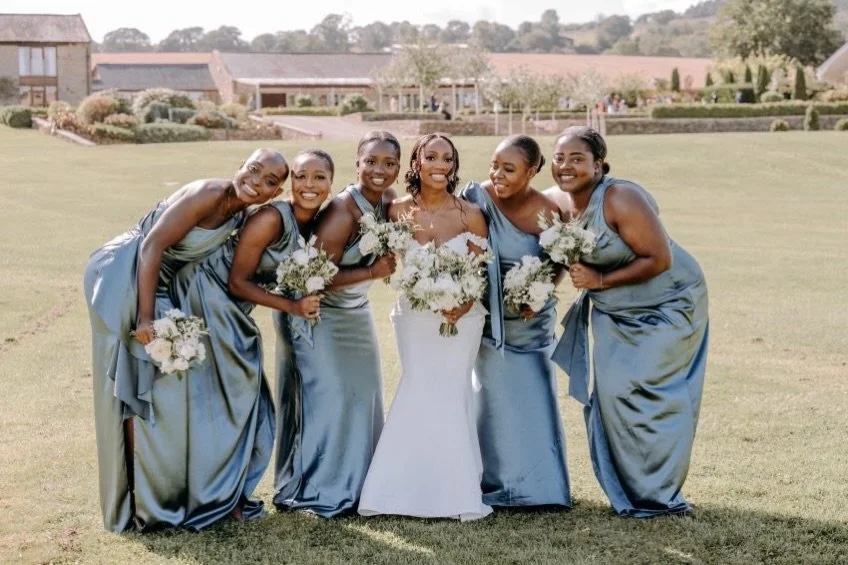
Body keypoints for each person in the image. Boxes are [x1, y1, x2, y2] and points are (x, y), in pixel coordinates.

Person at [83, 148, 288, 532]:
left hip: (159, 288)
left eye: (270, 181)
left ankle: (171, 495)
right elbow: (152, 246)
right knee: (140, 385)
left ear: (274, 193)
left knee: (164, 393)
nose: (257, 181)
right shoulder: (208, 193)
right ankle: (138, 506)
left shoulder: (240, 215)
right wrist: (146, 317)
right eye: (254, 169)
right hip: (125, 274)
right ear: (240, 165)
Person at [146, 149, 328, 530]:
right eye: (301, 177)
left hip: (231, 307)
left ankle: (229, 494)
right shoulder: (269, 217)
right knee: (235, 399)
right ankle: (216, 497)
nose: (309, 185)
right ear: (291, 183)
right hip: (209, 295)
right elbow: (236, 281)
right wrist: (291, 306)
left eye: (320, 178)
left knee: (242, 402)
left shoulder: (312, 222)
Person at [545, 127, 709, 518]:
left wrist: (598, 280)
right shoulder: (558, 204)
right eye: (559, 158)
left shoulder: (621, 198)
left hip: (670, 303)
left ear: (599, 166)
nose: (566, 166)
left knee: (647, 389)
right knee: (612, 395)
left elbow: (658, 259)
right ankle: (633, 490)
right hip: (614, 310)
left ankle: (659, 493)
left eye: (577, 158)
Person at [358, 133, 492, 521]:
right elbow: (383, 257)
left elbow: (480, 268)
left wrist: (463, 302)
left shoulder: (470, 214)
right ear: (415, 163)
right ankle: (394, 491)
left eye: (446, 158)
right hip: (414, 318)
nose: (439, 165)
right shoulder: (395, 209)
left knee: (452, 394)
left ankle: (455, 492)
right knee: (417, 387)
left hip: (462, 318)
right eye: (430, 157)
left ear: (453, 165)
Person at [273, 134, 399, 517]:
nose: (379, 170)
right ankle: (319, 487)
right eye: (371, 162)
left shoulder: (390, 202)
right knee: (330, 400)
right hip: (320, 315)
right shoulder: (342, 212)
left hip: (356, 313)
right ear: (356, 164)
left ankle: (361, 484)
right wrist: (372, 271)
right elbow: (311, 277)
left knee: (364, 398)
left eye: (389, 163)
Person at [459, 135, 572, 509]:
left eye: (509, 169)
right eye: (494, 165)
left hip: (531, 323)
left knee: (534, 401)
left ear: (532, 171)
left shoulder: (548, 211)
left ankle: (541, 488)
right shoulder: (475, 197)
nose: (497, 174)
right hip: (489, 321)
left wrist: (538, 294)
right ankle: (496, 484)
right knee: (491, 402)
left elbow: (558, 262)